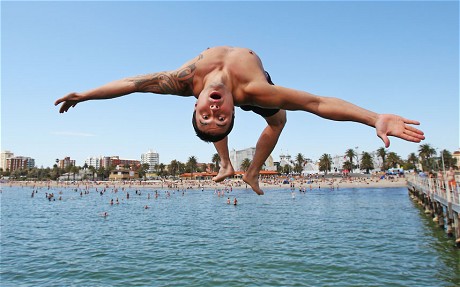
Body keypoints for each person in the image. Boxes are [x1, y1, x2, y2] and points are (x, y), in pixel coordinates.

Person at [55, 46, 425, 195]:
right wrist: (374, 118)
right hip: (256, 82)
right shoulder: (255, 93)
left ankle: (237, 167)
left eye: (207, 114)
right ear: (234, 110)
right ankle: (234, 164)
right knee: (279, 121)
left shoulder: (182, 81)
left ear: (194, 103)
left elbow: (131, 84)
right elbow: (317, 103)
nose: (214, 110)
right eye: (221, 116)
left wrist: (84, 94)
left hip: (226, 90)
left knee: (258, 125)